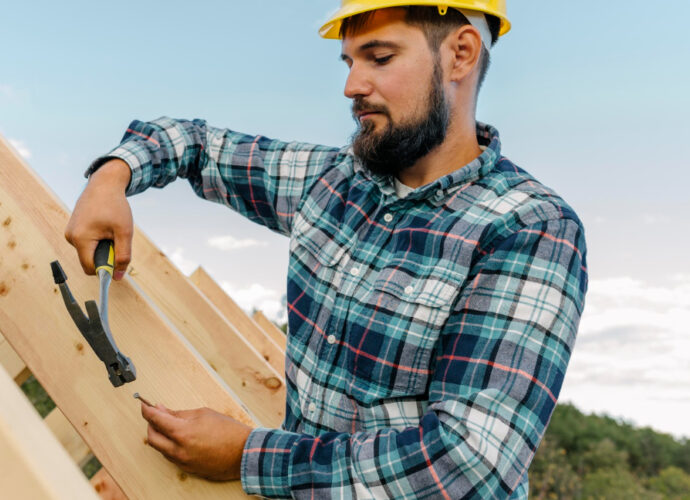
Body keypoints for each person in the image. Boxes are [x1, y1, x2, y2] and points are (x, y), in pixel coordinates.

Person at [65, 1, 588, 498]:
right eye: (349, 61)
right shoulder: (333, 181)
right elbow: (193, 142)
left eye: (380, 58)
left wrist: (249, 456)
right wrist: (113, 177)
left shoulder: (530, 228)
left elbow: (466, 467)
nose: (351, 85)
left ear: (461, 54)